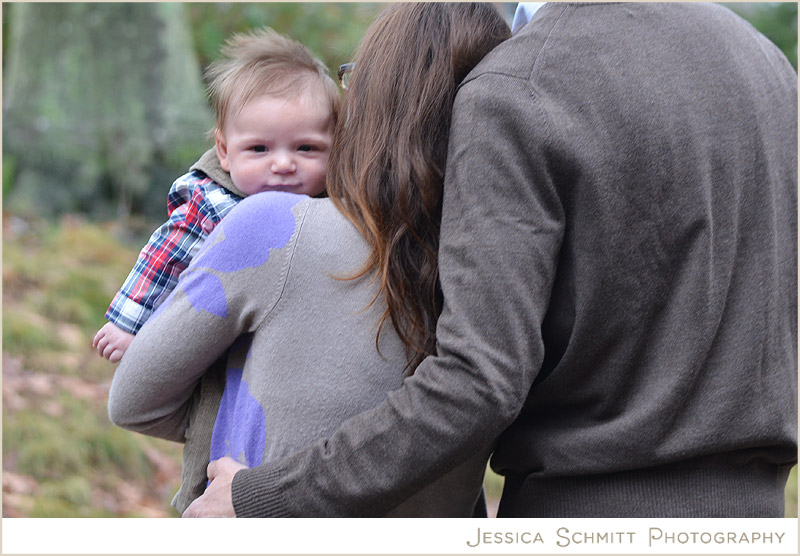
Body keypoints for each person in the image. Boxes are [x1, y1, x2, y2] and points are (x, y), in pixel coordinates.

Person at [181, 2, 798, 518]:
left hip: (586, 516)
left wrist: (268, 497)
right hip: (765, 517)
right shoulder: (766, 64)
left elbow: (477, 381)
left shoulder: (522, 84)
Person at [107, 3, 512, 516]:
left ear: (366, 100)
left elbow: (135, 400)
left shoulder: (274, 226)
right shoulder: (503, 265)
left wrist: (241, 432)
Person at [93, 27, 338, 363]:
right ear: (224, 151)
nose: (283, 164)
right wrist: (129, 324)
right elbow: (165, 257)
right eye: (259, 148)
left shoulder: (333, 205)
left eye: (306, 148)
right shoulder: (213, 202)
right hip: (219, 342)